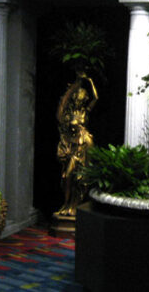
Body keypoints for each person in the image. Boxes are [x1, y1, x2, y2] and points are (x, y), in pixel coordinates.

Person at [56, 73, 98, 216]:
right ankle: (66, 205)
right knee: (67, 176)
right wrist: (76, 83)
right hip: (72, 147)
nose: (80, 100)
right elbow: (61, 109)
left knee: (80, 179)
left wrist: (90, 81)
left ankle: (74, 206)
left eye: (82, 98)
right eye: (78, 97)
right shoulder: (68, 114)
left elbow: (96, 98)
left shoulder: (84, 112)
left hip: (84, 146)